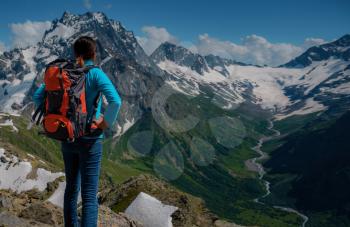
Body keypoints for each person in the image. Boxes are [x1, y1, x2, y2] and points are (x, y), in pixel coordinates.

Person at [32, 36, 122, 227]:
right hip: (90, 139)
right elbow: (116, 101)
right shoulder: (95, 74)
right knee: (89, 194)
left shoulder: (63, 72)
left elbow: (38, 96)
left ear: (75, 53)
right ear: (94, 53)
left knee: (71, 189)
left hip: (68, 137)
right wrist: (105, 123)